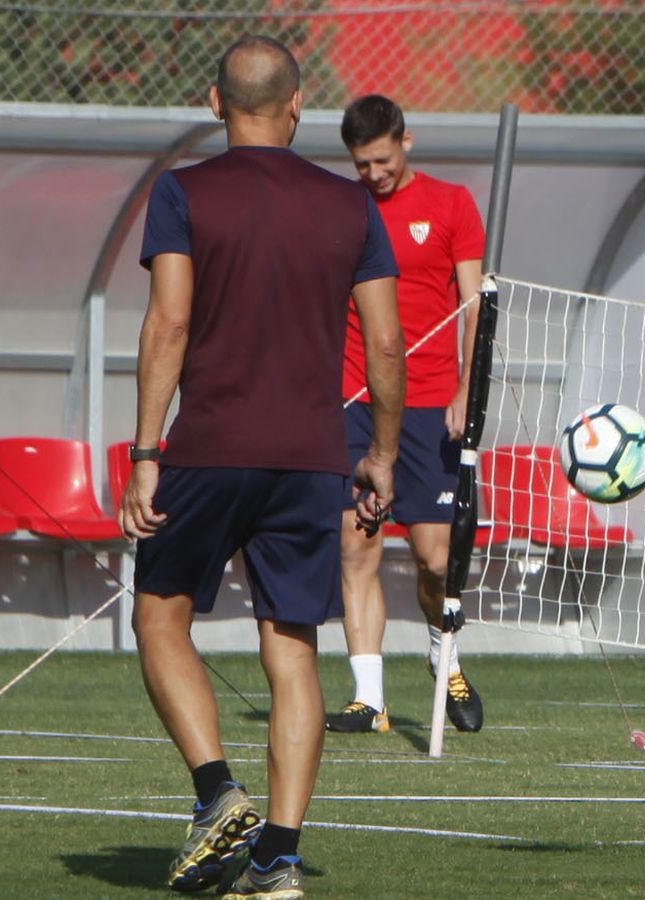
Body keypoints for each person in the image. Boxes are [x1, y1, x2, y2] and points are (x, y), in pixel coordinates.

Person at [120, 35, 404, 898]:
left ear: (214, 102)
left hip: (208, 447)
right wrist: (383, 455)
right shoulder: (351, 204)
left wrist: (143, 451)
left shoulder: (183, 192)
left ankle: (217, 795)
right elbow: (387, 342)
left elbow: (169, 324)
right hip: (313, 458)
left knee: (160, 619)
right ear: (297, 105)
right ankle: (279, 860)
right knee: (292, 649)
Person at [323, 94, 488, 737]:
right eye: (361, 164)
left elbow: (476, 307)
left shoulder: (451, 205)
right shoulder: (341, 209)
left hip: (428, 405)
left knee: (436, 559)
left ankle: (444, 656)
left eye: (382, 160)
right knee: (355, 542)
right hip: (355, 401)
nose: (373, 174)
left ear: (406, 141)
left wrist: (466, 391)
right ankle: (370, 699)